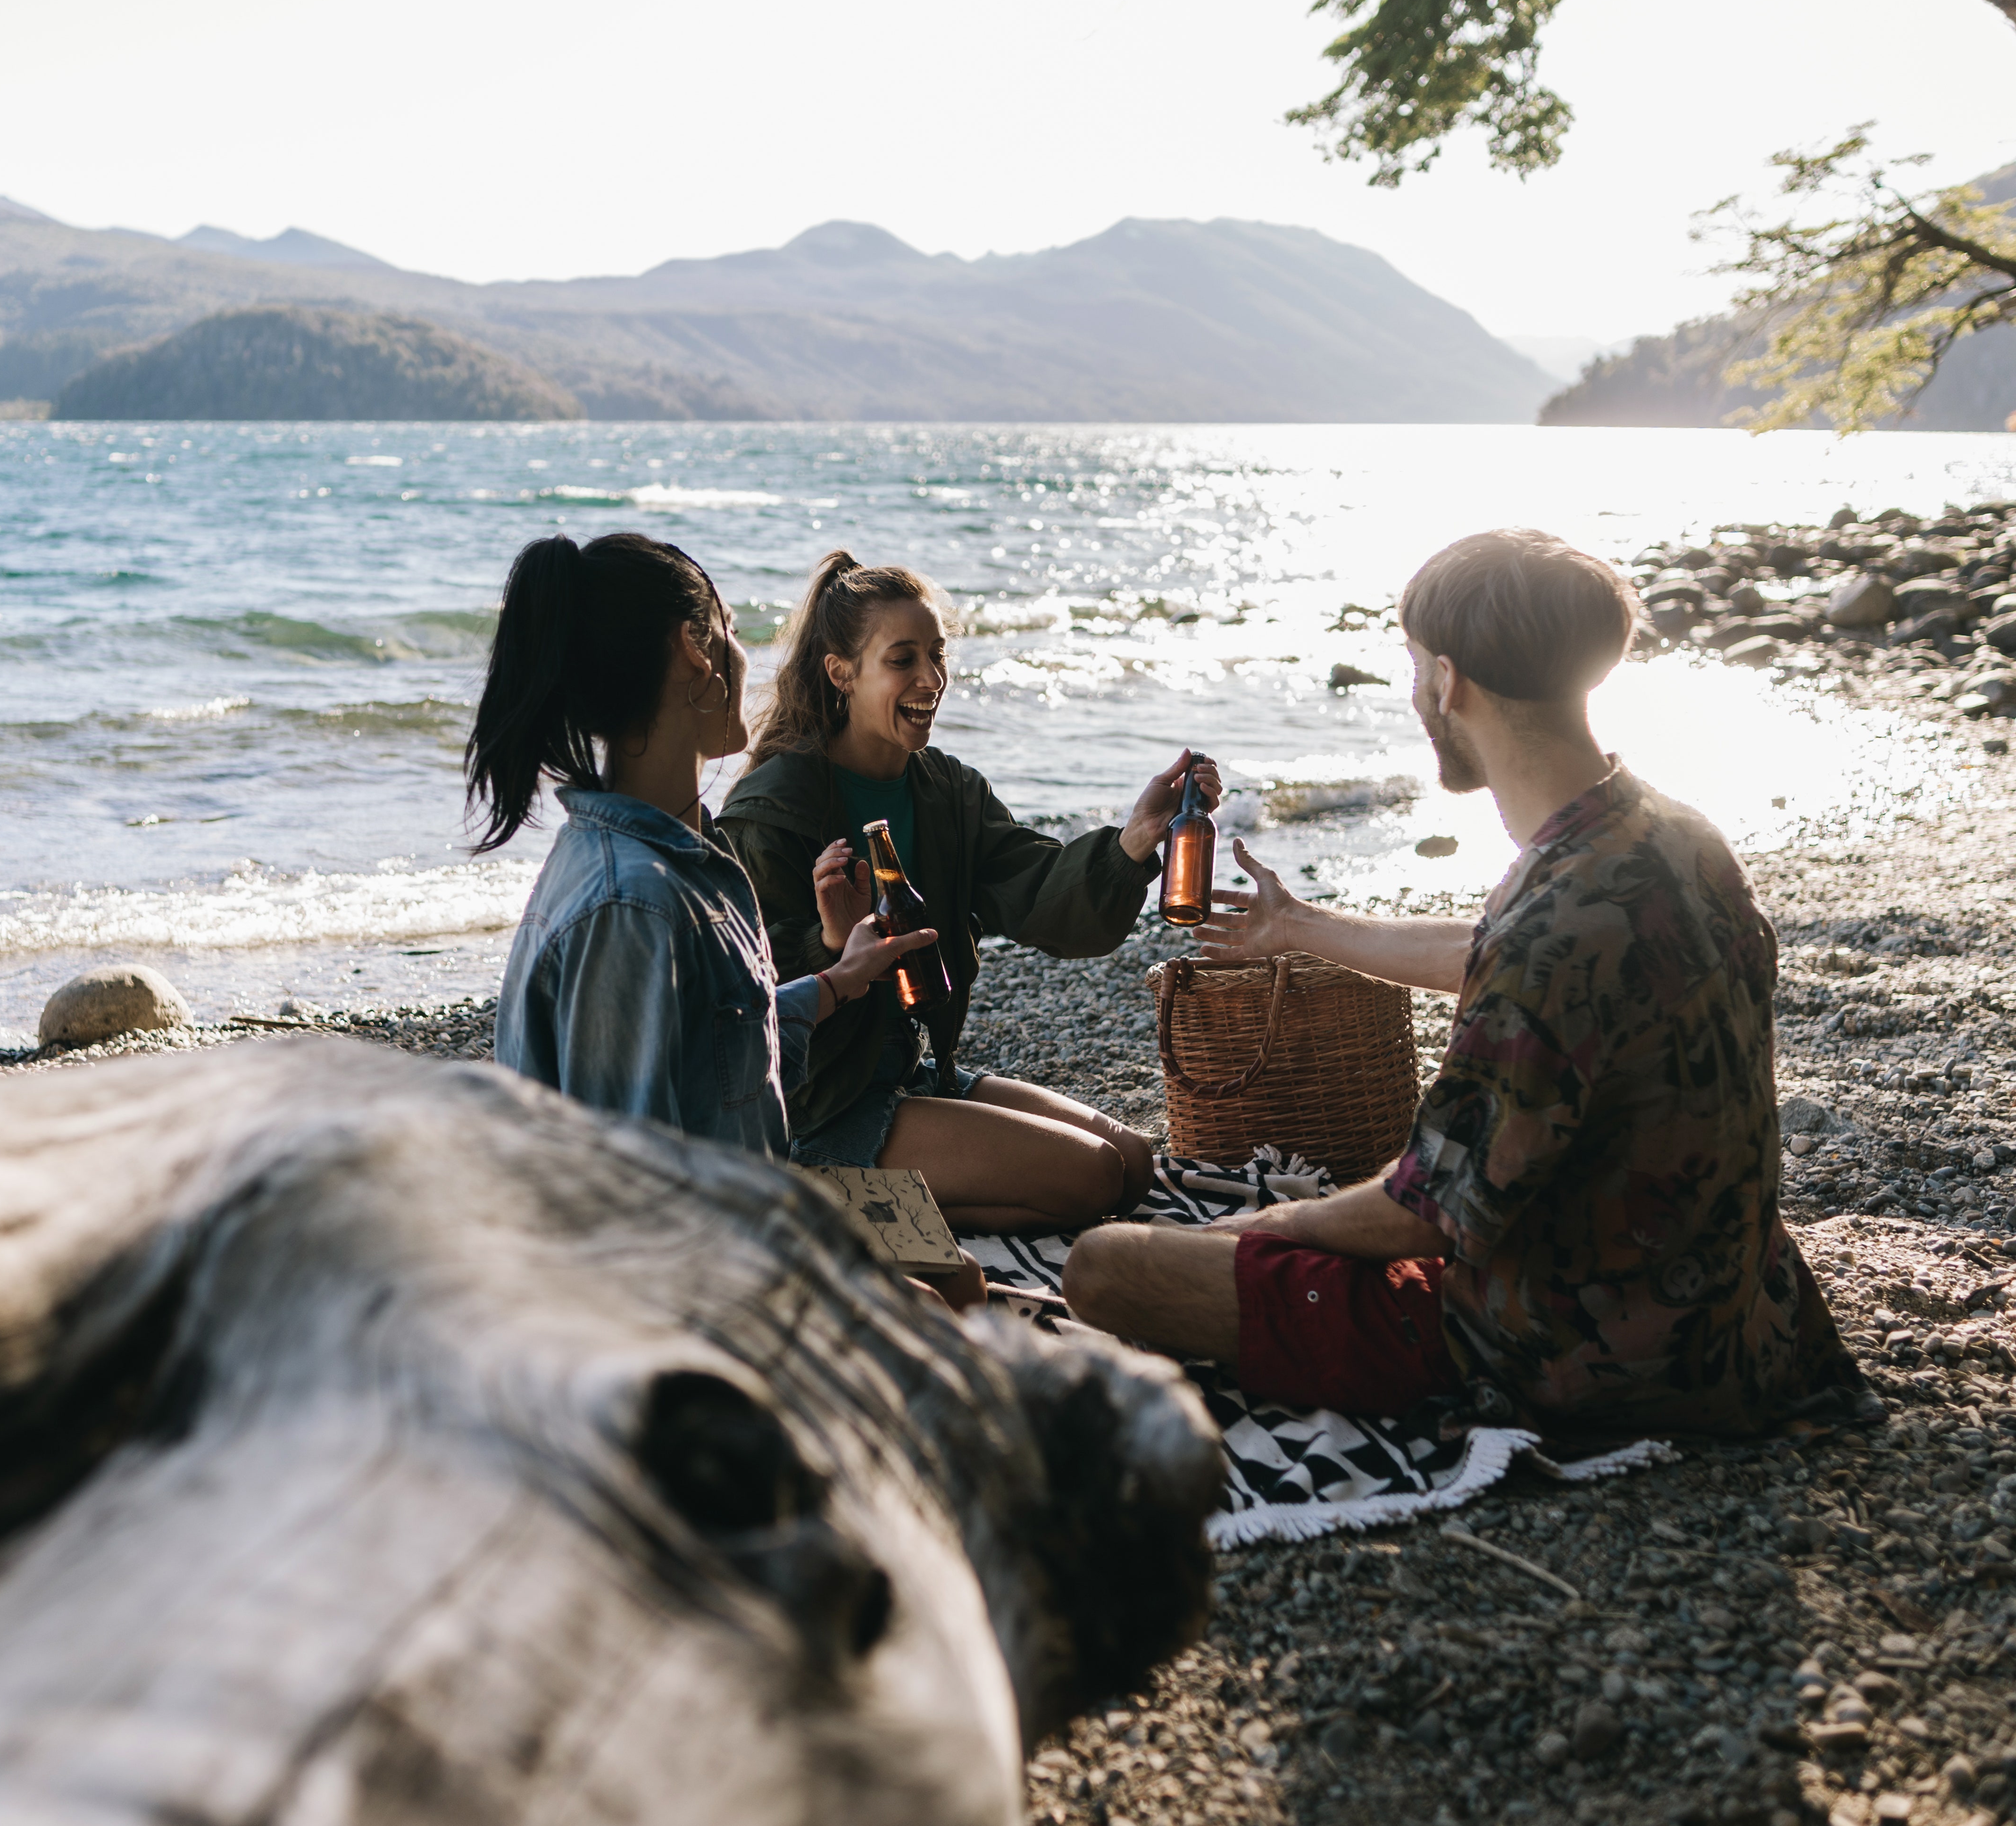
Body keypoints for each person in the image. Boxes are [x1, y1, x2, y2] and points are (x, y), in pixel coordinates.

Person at [1063, 529, 1865, 1435]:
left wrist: (1259, 1232)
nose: (1416, 695)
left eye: (1414, 671)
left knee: (1109, 1264)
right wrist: (1297, 928)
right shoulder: (1668, 835)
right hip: (1744, 1316)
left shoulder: (1551, 928)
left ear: (1449, 682)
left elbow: (1425, 1214)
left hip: (1577, 1353)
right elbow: (1506, 958)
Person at [717, 550, 1220, 1235]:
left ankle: (880, 1203)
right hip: (820, 1104)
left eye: (937, 654)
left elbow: (1039, 890)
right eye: (903, 659)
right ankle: (830, 1199)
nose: (932, 678)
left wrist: (1136, 841)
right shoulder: (775, 807)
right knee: (1094, 1177)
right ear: (842, 672)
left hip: (912, 1073)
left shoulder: (948, 791)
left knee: (1131, 1161)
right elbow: (737, 999)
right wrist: (831, 942)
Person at [469, 531, 936, 1160]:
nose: (745, 657)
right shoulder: (632, 905)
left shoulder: (683, 857)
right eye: (731, 631)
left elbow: (723, 1044)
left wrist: (840, 979)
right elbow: (631, 1186)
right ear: (694, 649)